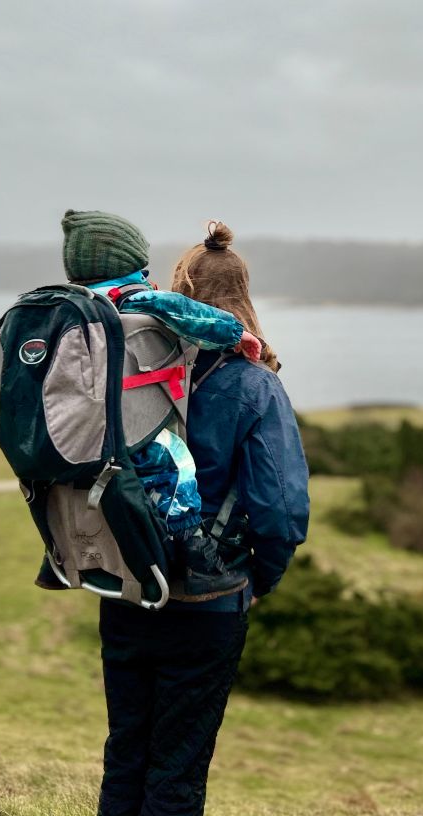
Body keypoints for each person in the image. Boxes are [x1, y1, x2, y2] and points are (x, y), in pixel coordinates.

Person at [94, 220, 309, 816]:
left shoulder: (121, 365)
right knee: (176, 767)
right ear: (243, 296)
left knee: (129, 750)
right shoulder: (252, 380)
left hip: (123, 588)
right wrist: (258, 579)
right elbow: (281, 511)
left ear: (174, 290)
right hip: (209, 605)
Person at [36, 210, 265, 598]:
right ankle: (197, 560)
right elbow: (192, 315)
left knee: (73, 488)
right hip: (126, 429)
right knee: (174, 463)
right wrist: (236, 334)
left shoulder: (65, 309)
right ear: (128, 262)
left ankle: (54, 560)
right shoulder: (134, 298)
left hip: (72, 431)